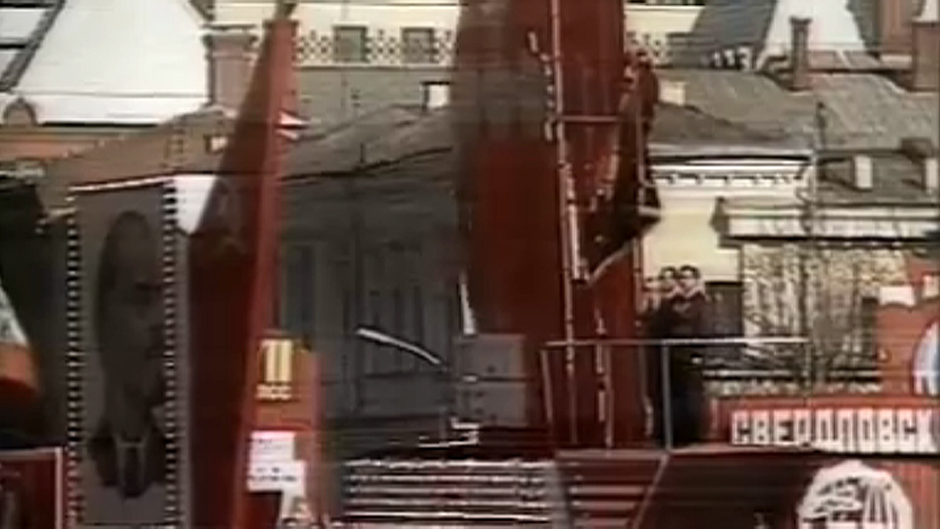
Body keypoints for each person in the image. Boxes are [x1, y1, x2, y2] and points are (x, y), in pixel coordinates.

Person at [87, 212, 166, 500]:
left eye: (167, 301)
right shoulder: (82, 460)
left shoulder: (180, 459)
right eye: (142, 300)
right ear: (103, 319)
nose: (161, 322)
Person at [662, 264, 709, 446]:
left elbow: (702, 327)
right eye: (681, 278)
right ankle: (677, 434)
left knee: (692, 396)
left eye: (688, 278)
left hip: (692, 355)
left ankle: (694, 433)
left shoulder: (701, 303)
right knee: (677, 396)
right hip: (674, 355)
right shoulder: (673, 302)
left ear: (696, 280)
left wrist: (699, 353)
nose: (683, 282)